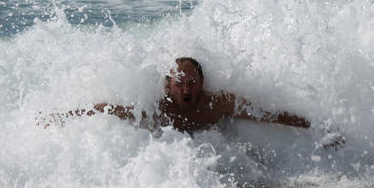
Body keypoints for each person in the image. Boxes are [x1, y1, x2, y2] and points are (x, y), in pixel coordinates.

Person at [42, 57, 321, 137]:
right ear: (168, 86)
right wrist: (66, 116)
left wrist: (315, 129)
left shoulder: (217, 103)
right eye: (180, 83)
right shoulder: (155, 108)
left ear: (202, 83)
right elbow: (110, 109)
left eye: (192, 83)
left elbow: (267, 115)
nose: (186, 89)